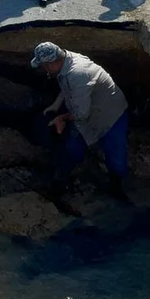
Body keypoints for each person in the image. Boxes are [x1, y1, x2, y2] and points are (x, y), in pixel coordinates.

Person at [31, 42, 130, 200]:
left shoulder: (78, 73)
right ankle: (60, 181)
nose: (44, 70)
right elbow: (66, 86)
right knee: (72, 147)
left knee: (115, 154)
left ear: (52, 63)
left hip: (110, 115)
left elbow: (81, 114)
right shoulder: (66, 59)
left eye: (44, 66)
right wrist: (56, 105)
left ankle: (117, 188)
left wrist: (61, 118)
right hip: (86, 107)